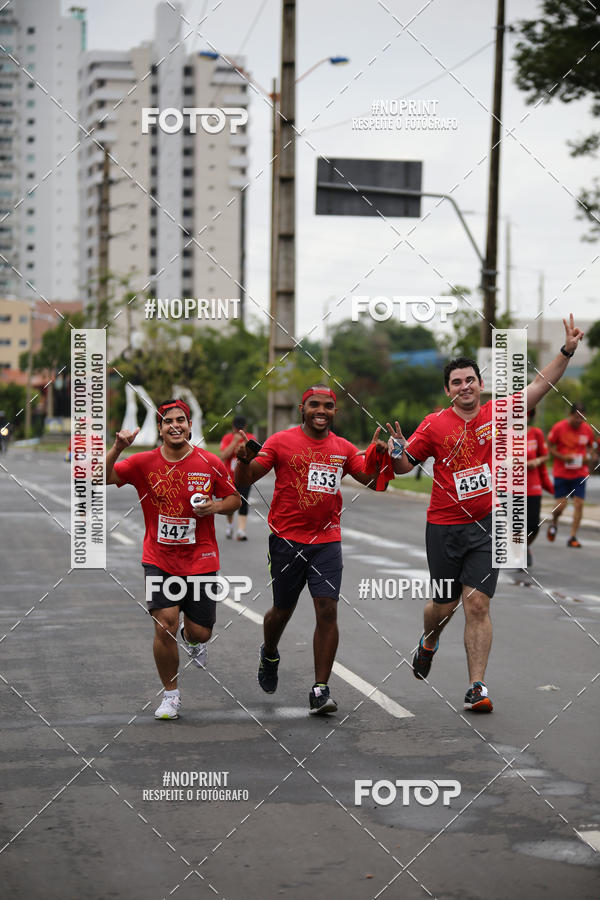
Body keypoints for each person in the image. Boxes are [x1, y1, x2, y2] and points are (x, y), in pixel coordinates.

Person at [387, 315, 584, 713]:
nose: (465, 386)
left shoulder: (499, 413)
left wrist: (566, 351)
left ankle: (476, 686)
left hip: (486, 524)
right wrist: (395, 453)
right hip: (443, 526)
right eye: (456, 382)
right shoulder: (433, 425)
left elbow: (539, 386)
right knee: (443, 607)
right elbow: (405, 467)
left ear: (481, 383)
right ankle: (429, 639)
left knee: (477, 604)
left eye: (470, 379)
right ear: (448, 389)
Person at [234, 384, 390, 715]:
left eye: (329, 406)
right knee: (282, 610)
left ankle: (320, 689)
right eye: (314, 405)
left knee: (327, 609)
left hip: (326, 541)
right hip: (287, 540)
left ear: (335, 412)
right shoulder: (280, 441)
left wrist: (379, 454)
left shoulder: (343, 448)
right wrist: (243, 461)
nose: (322, 410)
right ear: (302, 410)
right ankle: (270, 651)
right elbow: (246, 478)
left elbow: (373, 480)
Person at [105, 399, 241, 720]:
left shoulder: (209, 462)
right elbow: (98, 477)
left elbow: (234, 498)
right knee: (164, 625)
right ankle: (171, 695)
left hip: (201, 560)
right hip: (159, 557)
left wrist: (214, 508)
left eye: (181, 420)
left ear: (190, 426)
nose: (175, 425)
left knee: (200, 632)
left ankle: (193, 642)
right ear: (162, 429)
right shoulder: (142, 463)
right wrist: (117, 447)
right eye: (168, 421)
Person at [547, 402, 597, 548]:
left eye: (582, 418)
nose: (579, 421)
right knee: (561, 507)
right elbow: (549, 447)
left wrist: (589, 456)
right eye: (576, 417)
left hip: (580, 473)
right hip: (562, 473)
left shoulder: (587, 430)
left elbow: (591, 448)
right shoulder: (559, 428)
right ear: (570, 415)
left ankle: (572, 536)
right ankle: (554, 521)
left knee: (579, 504)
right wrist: (562, 457)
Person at [220, 415, 257, 541]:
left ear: (246, 427)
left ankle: (241, 531)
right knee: (230, 505)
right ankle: (230, 525)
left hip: (245, 476)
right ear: (233, 428)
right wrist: (234, 442)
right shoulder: (227, 438)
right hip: (229, 477)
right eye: (237, 429)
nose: (239, 431)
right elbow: (223, 456)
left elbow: (255, 457)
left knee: (243, 502)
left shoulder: (251, 438)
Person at [526, 408, 553, 567]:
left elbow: (545, 455)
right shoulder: (506, 434)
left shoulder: (536, 433)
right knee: (513, 523)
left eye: (528, 415)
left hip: (533, 485)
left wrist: (536, 461)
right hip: (511, 485)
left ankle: (526, 546)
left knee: (533, 525)